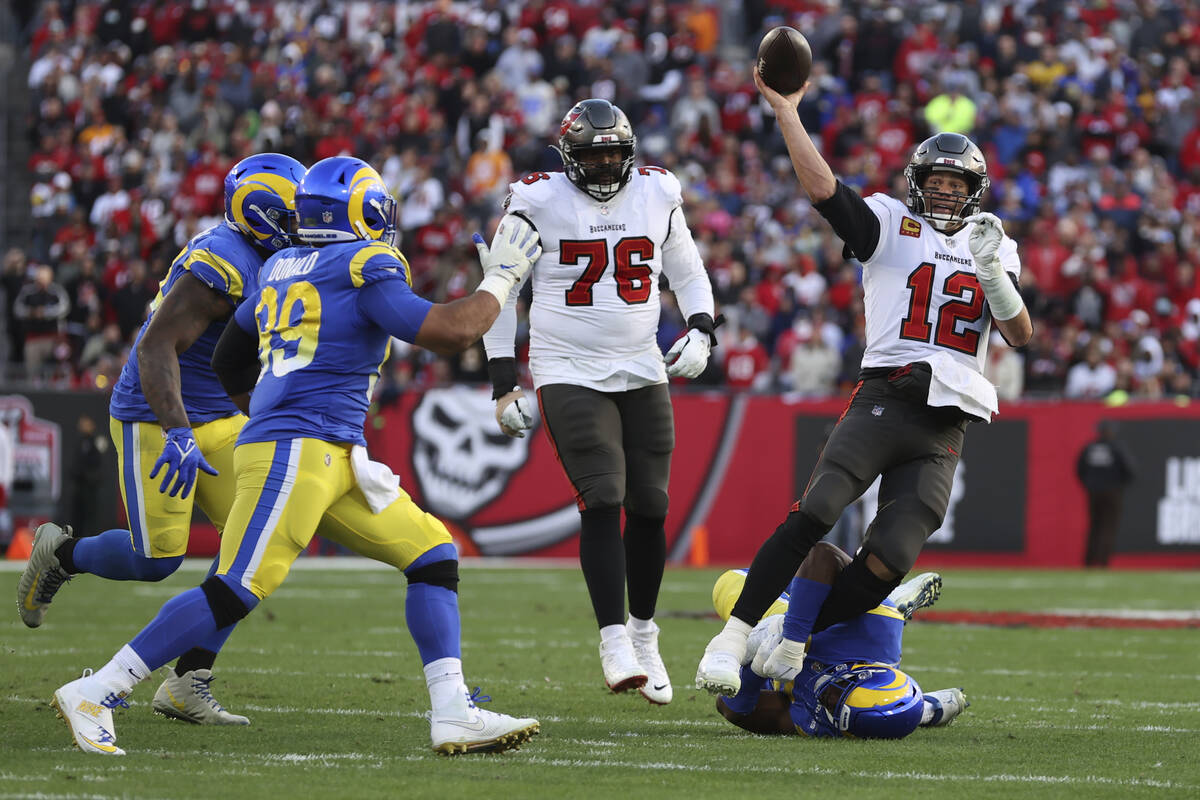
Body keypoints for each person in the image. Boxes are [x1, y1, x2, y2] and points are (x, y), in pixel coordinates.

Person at [49, 156, 542, 757]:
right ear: (360, 211)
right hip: (299, 451)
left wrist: (270, 407)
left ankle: (452, 712)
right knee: (233, 590)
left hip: (331, 452)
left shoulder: (281, 265)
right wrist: (502, 282)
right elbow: (448, 331)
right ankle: (98, 690)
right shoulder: (363, 262)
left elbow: (229, 358)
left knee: (433, 555)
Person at [695, 71, 1033, 696]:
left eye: (956, 185)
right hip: (887, 394)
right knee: (819, 508)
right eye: (934, 183)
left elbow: (1019, 333)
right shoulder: (890, 225)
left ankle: (791, 634)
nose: (944, 195)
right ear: (916, 185)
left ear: (975, 191)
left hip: (945, 421)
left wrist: (992, 270)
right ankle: (734, 634)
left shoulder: (995, 245)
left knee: (890, 557)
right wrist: (787, 112)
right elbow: (823, 189)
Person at [18, 153, 307, 726]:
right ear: (261, 215)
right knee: (157, 560)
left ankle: (187, 682)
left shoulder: (271, 253)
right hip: (157, 411)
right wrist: (177, 430)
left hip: (219, 412)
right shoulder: (221, 262)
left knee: (253, 547)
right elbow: (155, 350)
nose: (303, 226)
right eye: (292, 216)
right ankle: (64, 554)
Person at [481, 98, 717, 705]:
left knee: (651, 503)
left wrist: (701, 326)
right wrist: (503, 377)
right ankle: (613, 638)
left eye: (616, 152)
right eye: (594, 154)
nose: (607, 164)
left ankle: (644, 631)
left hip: (642, 362)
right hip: (567, 366)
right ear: (569, 158)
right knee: (604, 494)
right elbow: (499, 291)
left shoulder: (658, 192)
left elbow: (686, 268)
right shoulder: (536, 199)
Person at [711, 543, 968, 738]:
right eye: (840, 693)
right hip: (840, 616)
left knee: (751, 650)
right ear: (863, 672)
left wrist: (755, 670)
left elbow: (732, 708)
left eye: (835, 708)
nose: (827, 698)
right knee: (730, 585)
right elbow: (823, 555)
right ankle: (885, 600)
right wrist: (791, 637)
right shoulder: (874, 631)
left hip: (785, 669)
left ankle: (924, 710)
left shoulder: (826, 720)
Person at [1076, 420, 1136, 567]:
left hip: (1094, 492)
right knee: (1108, 526)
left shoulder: (1090, 448)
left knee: (1094, 525)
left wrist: (1089, 484)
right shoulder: (1116, 448)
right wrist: (1119, 485)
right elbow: (1129, 470)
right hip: (1112, 492)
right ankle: (1103, 561)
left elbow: (1080, 469)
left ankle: (1089, 561)